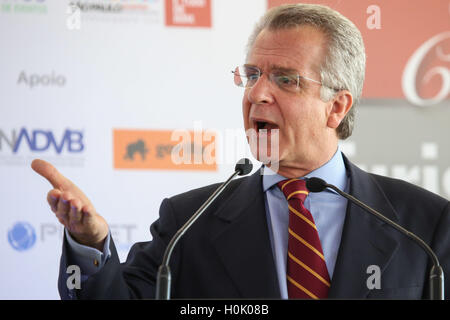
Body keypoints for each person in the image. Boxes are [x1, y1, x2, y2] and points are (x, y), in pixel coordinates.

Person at [32, 4, 449, 299]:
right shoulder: (189, 223)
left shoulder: (426, 225)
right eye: (251, 75)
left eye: (285, 80)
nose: (257, 94)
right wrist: (91, 244)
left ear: (336, 107)